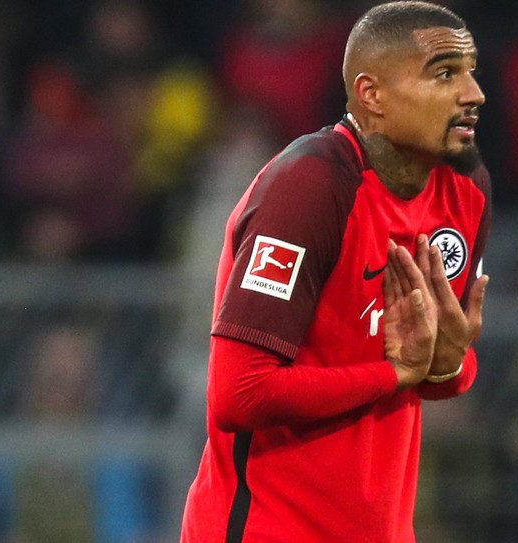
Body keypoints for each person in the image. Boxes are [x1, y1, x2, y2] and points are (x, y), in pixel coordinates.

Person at [180, 2, 491, 542]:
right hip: (267, 529)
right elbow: (239, 393)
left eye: (470, 72)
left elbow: (441, 372)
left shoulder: (466, 188)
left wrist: (445, 366)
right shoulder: (311, 187)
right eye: (445, 74)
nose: (473, 94)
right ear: (372, 95)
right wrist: (394, 374)